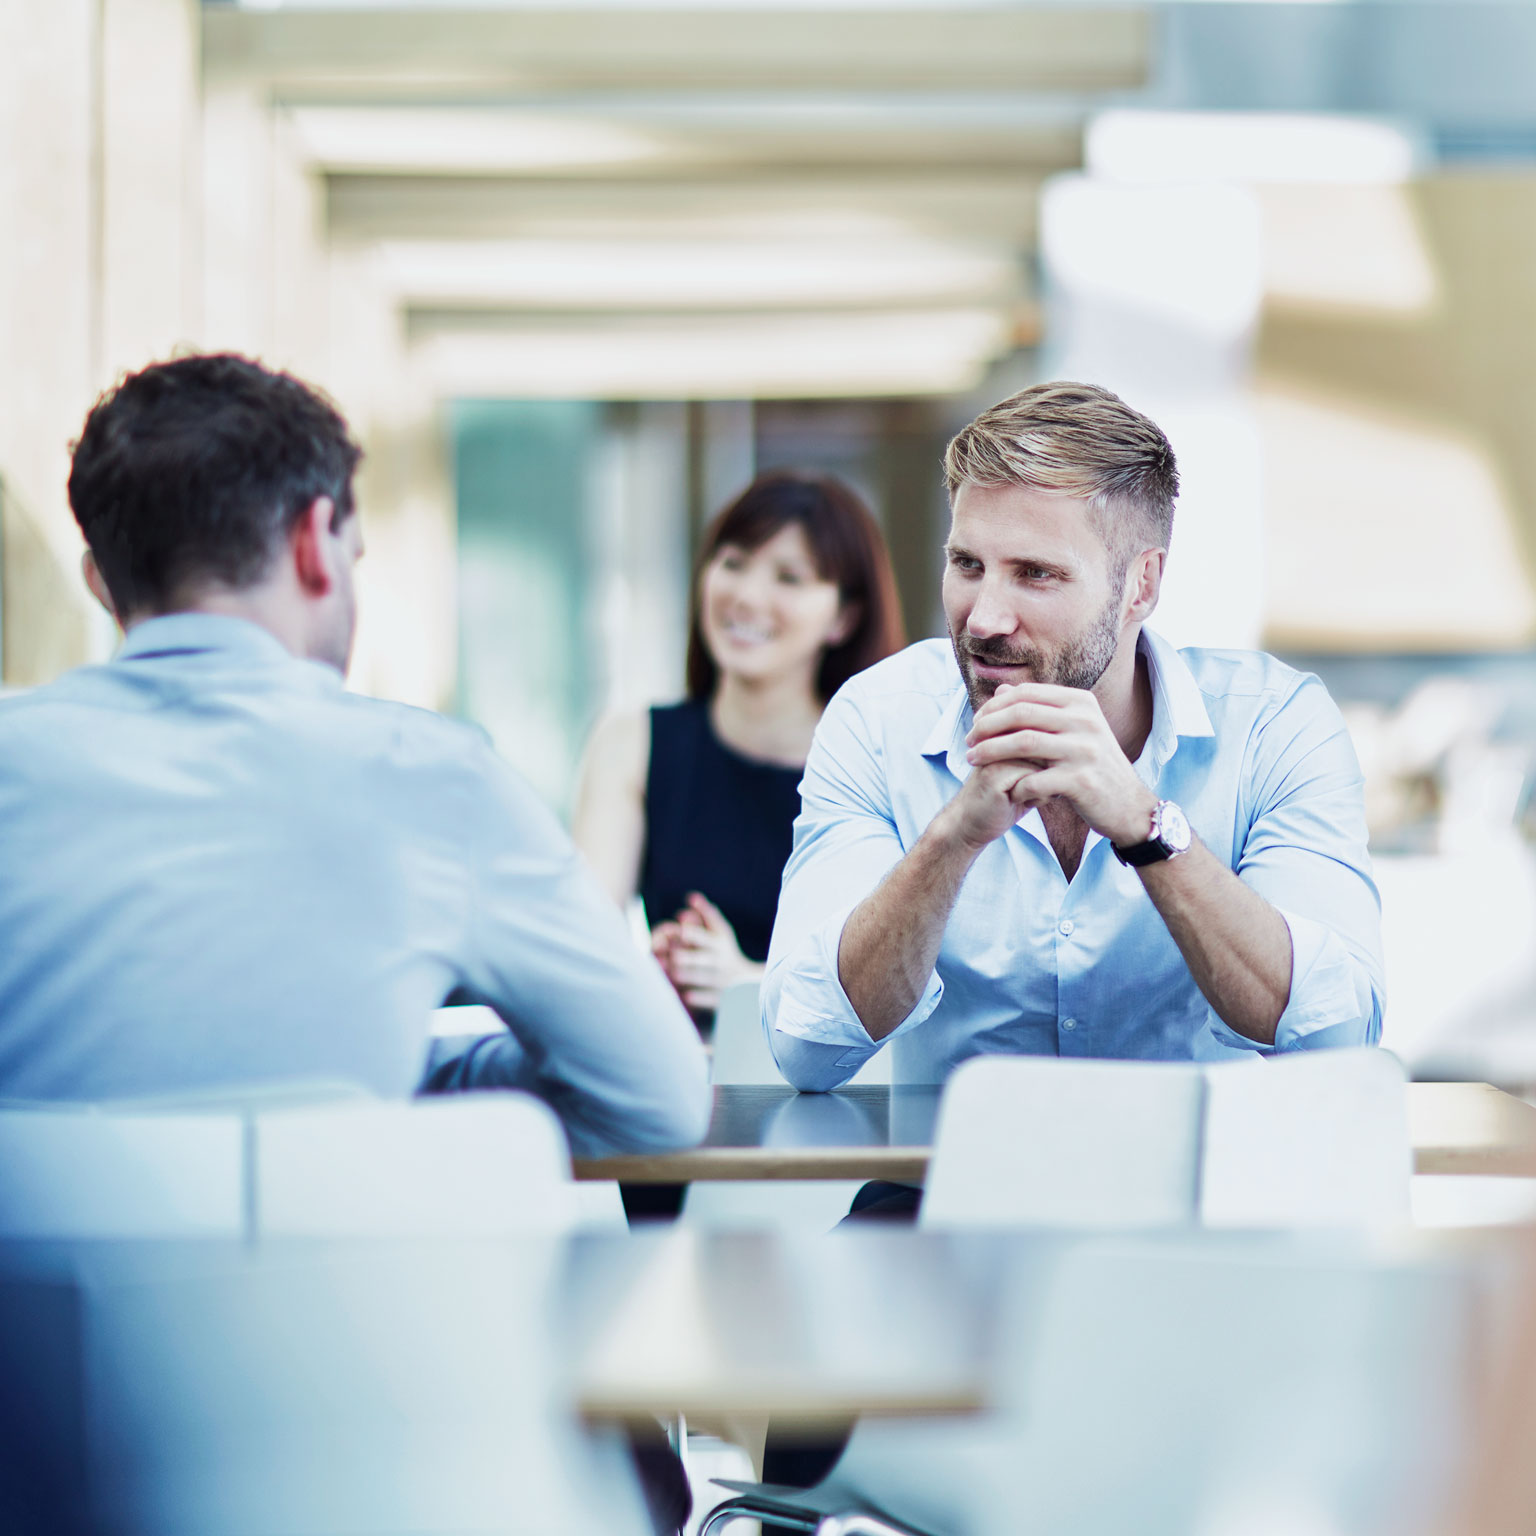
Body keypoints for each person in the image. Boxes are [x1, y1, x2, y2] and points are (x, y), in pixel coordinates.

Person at [0, 353, 709, 1163]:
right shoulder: (435, 778)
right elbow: (659, 1100)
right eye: (354, 555)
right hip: (331, 1248)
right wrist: (380, 1096)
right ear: (313, 542)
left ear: (99, 581)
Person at [764, 381, 1384, 1107]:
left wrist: (1147, 827)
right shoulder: (877, 719)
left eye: (1036, 574)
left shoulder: (1275, 725)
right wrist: (952, 840)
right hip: (956, 1172)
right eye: (968, 565)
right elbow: (806, 1047)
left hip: (1207, 1172)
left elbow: (1334, 1036)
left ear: (1140, 586)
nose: (984, 618)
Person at [573, 471, 905, 1019]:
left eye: (789, 577)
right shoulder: (632, 742)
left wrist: (744, 981)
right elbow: (584, 946)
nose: (748, 596)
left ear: (844, 618)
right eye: (733, 563)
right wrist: (652, 967)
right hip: (677, 1059)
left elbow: (897, 982)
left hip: (827, 1067)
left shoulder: (880, 767)